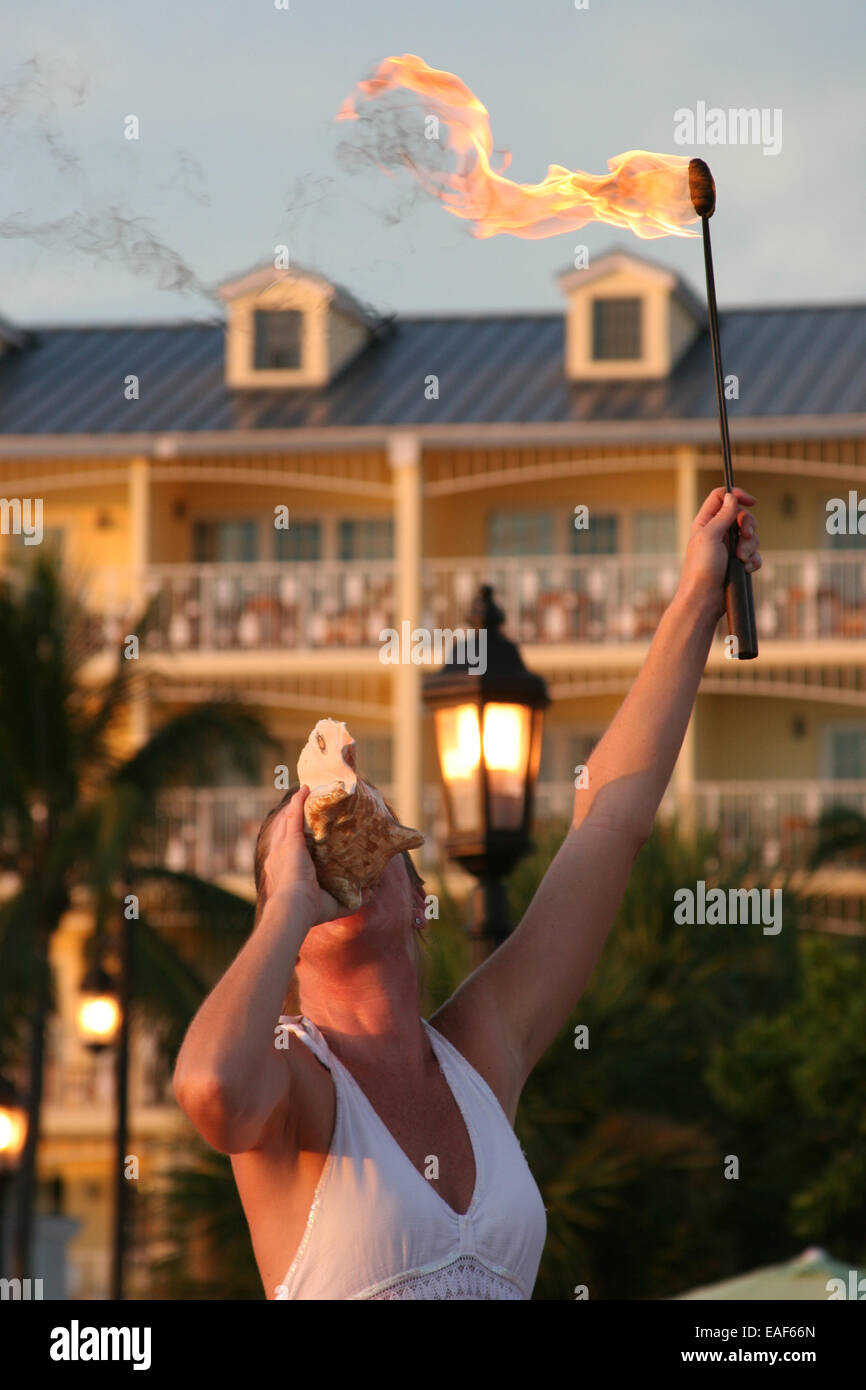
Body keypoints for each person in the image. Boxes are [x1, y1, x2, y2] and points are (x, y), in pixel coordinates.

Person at [173, 486, 762, 1300]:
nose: (339, 848)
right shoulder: (297, 1082)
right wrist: (287, 901)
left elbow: (609, 824)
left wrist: (699, 598)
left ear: (419, 898)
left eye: (365, 825)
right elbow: (211, 1092)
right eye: (308, 849)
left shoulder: (481, 1051)